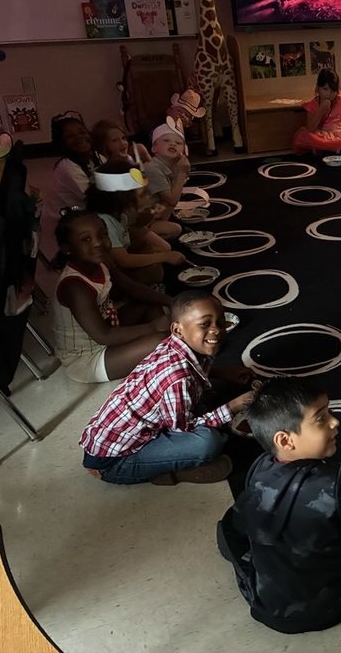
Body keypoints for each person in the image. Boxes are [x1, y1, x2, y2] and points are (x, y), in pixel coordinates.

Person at [216, 378, 341, 634]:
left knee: (229, 528)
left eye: (329, 411)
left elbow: (241, 524)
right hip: (332, 607)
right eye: (321, 418)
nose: (335, 421)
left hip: (268, 607)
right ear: (286, 441)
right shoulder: (333, 485)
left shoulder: (259, 469)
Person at [79, 290, 253, 485]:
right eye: (205, 324)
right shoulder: (177, 377)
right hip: (114, 462)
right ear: (178, 330)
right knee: (208, 443)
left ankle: (168, 455)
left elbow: (193, 373)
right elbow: (183, 428)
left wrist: (223, 373)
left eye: (220, 323)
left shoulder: (177, 346)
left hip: (127, 437)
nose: (216, 330)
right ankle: (170, 474)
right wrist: (233, 406)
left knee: (206, 400)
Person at [50, 210, 171, 383]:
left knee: (148, 303)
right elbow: (103, 336)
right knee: (159, 341)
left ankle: (166, 348)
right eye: (86, 239)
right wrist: (153, 327)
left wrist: (173, 302)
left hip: (108, 327)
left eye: (103, 235)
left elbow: (130, 287)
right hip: (87, 359)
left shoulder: (100, 262)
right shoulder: (74, 286)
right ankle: (166, 350)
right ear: (67, 249)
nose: (98, 243)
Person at [85, 162, 186, 287]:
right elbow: (123, 260)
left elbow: (137, 226)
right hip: (113, 275)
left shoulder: (119, 212)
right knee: (154, 272)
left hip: (125, 250)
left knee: (161, 248)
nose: (147, 196)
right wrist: (164, 257)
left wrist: (151, 213)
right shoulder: (104, 223)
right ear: (122, 196)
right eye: (142, 194)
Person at [39, 112, 95, 261]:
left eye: (82, 132)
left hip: (79, 217)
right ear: (61, 143)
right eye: (70, 136)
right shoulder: (68, 168)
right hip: (62, 233)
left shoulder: (92, 157)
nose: (79, 138)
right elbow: (97, 198)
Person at [292, 68, 341, 157]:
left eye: (333, 90)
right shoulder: (312, 105)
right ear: (318, 88)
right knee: (307, 135)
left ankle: (331, 149)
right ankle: (331, 149)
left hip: (340, 134)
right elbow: (310, 128)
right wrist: (321, 110)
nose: (329, 94)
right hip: (322, 135)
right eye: (325, 89)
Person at [143, 123, 191, 222]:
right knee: (174, 229)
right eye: (166, 140)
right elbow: (172, 200)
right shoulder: (152, 168)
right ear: (154, 148)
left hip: (157, 214)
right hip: (142, 221)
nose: (173, 144)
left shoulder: (172, 167)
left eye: (178, 143)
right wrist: (181, 173)